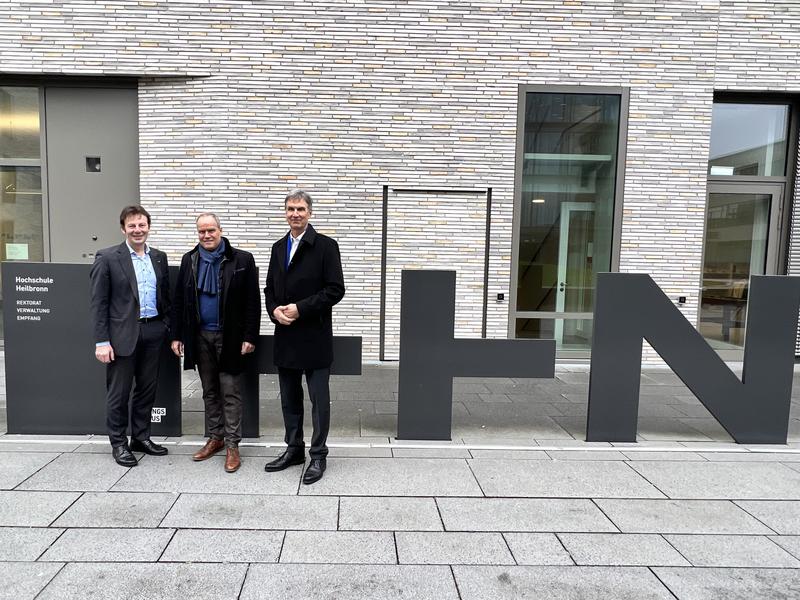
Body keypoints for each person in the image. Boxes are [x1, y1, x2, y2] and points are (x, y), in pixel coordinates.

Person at [263, 189, 345, 484]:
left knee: (318, 400)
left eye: (300, 209)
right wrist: (274, 310)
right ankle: (294, 448)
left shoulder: (325, 246)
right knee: (288, 398)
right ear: (285, 213)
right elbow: (269, 288)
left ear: (309, 213)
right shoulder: (277, 247)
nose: (295, 214)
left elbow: (335, 290)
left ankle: (319, 455)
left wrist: (299, 309)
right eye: (290, 209)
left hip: (314, 335)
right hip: (285, 334)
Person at [170, 213, 260, 473]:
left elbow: (252, 302)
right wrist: (177, 335)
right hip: (200, 337)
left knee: (230, 391)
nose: (206, 235)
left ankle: (233, 445)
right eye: (201, 231)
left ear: (220, 230)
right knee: (209, 390)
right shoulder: (190, 260)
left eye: (211, 230)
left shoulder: (241, 259)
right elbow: (179, 300)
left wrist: (250, 336)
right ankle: (216, 437)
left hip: (230, 337)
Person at [90, 205, 171, 467]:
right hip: (122, 335)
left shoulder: (159, 257)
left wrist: (165, 326)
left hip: (153, 331)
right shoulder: (107, 257)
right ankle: (118, 444)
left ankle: (141, 437)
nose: (138, 230)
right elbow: (99, 303)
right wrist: (102, 341)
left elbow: (166, 296)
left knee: (147, 390)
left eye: (142, 225)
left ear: (149, 227)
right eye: (132, 225)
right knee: (119, 393)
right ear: (123, 228)